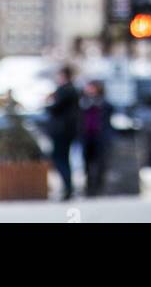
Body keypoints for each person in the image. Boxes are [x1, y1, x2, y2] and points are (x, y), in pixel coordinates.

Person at [45, 65, 79, 200]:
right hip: (67, 130)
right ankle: (68, 187)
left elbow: (54, 107)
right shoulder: (72, 89)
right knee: (64, 158)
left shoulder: (65, 90)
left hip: (61, 131)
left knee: (59, 158)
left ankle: (68, 187)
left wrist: (49, 101)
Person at [79, 80, 112, 198]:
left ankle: (99, 187)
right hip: (87, 136)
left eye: (91, 88)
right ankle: (89, 187)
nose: (89, 90)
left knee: (100, 162)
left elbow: (108, 119)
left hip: (99, 136)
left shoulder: (104, 103)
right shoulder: (83, 103)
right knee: (87, 162)